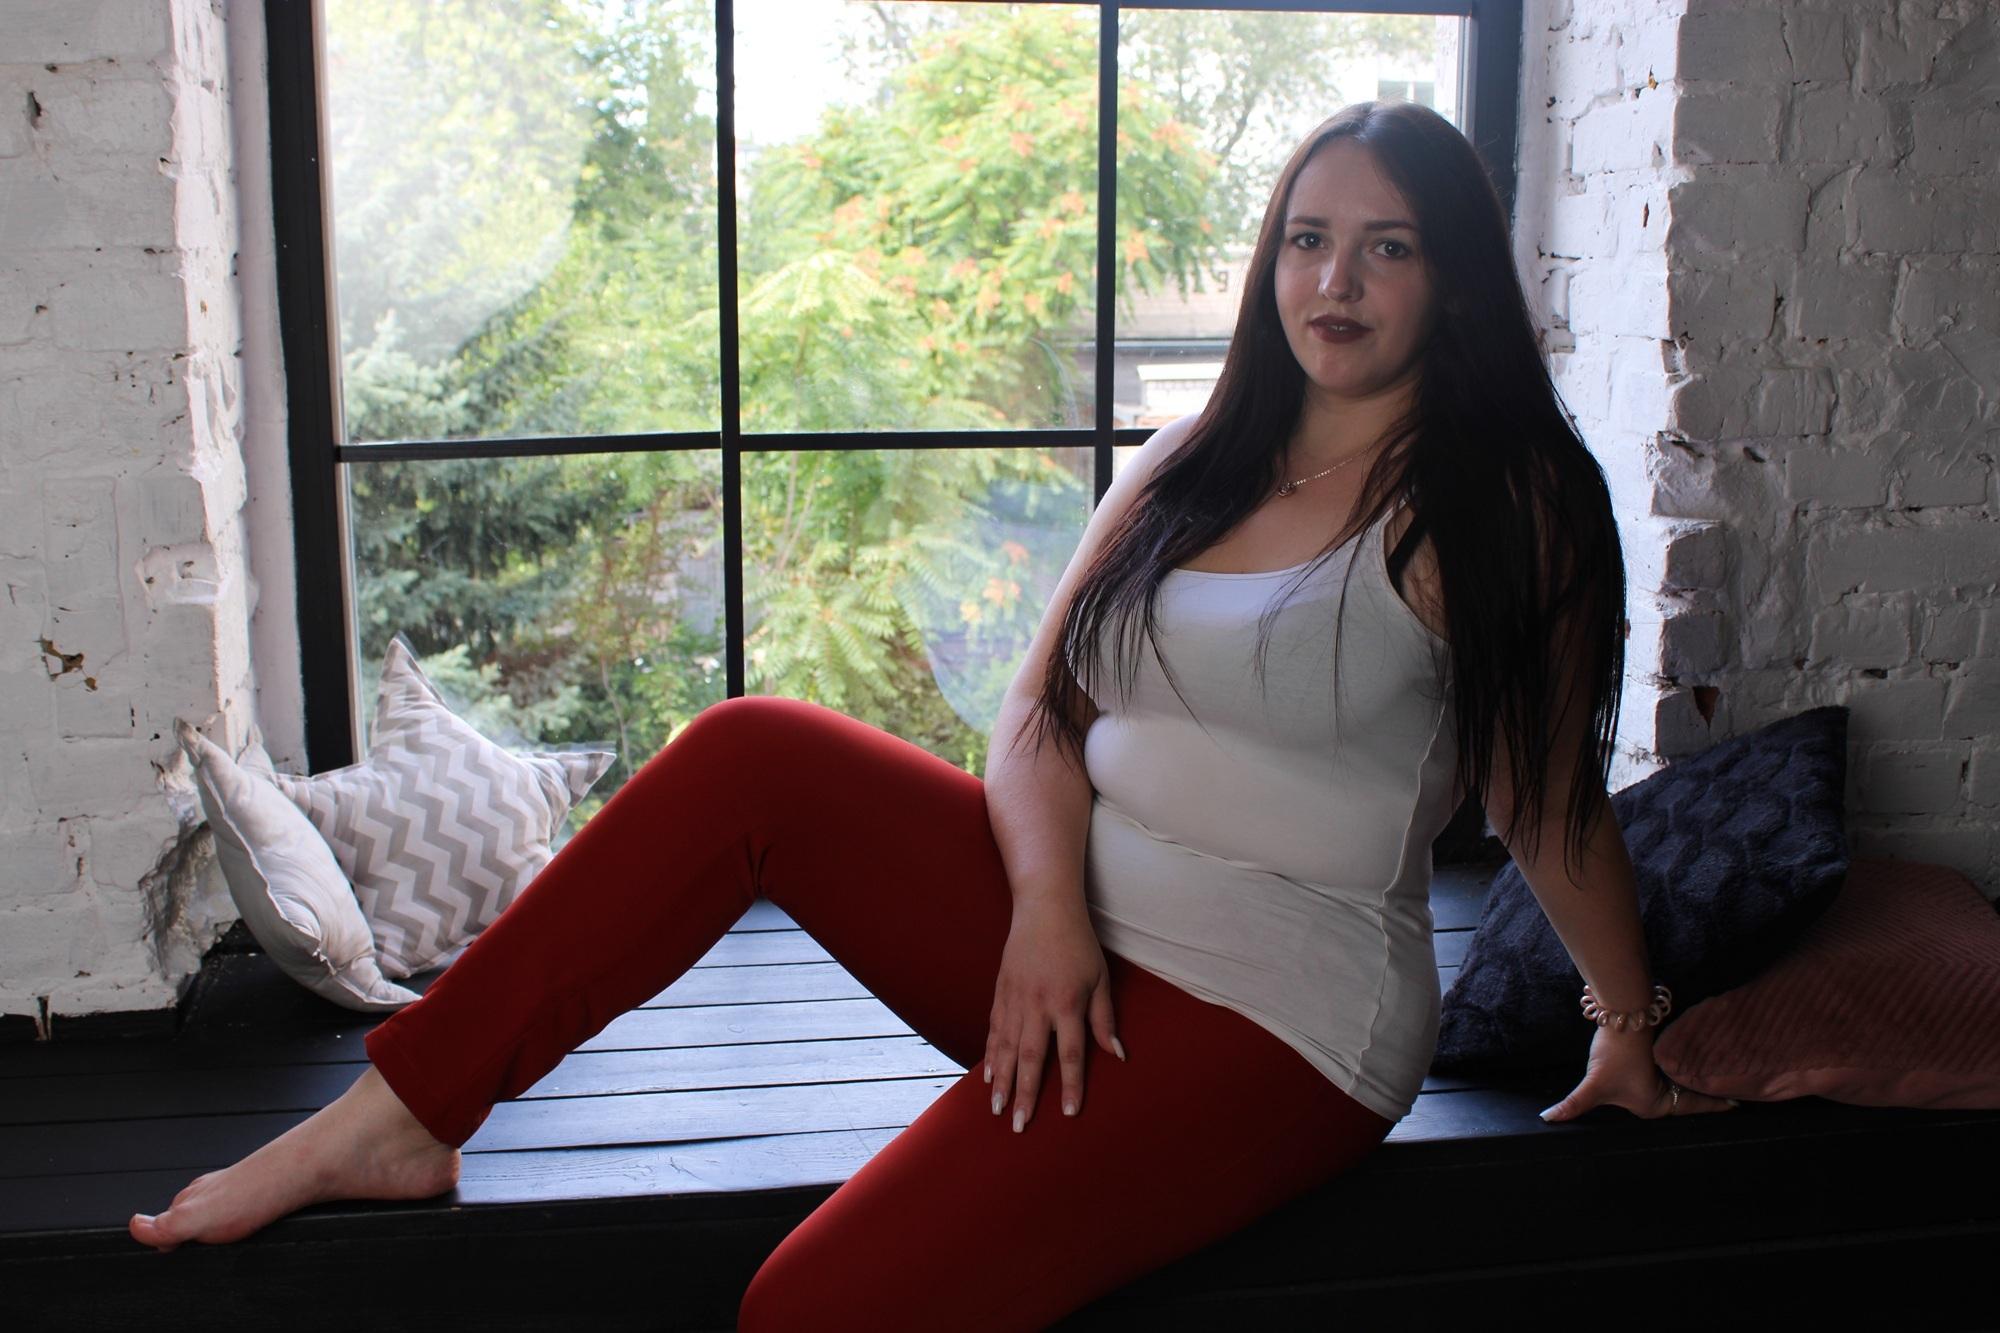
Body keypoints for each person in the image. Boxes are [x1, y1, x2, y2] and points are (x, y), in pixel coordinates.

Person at [127, 101, 1734, 1327]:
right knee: (753, 753)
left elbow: (1545, 805)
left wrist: (1627, 1022)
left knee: (810, 1309)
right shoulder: (1198, 456)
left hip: (1279, 1015)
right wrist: (1047, 909)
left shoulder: (1495, 501)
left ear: (1451, 279)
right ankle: (402, 1116)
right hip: (1076, 939)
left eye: (1388, 246)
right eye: (1308, 237)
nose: (1336, 278)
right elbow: (1038, 707)